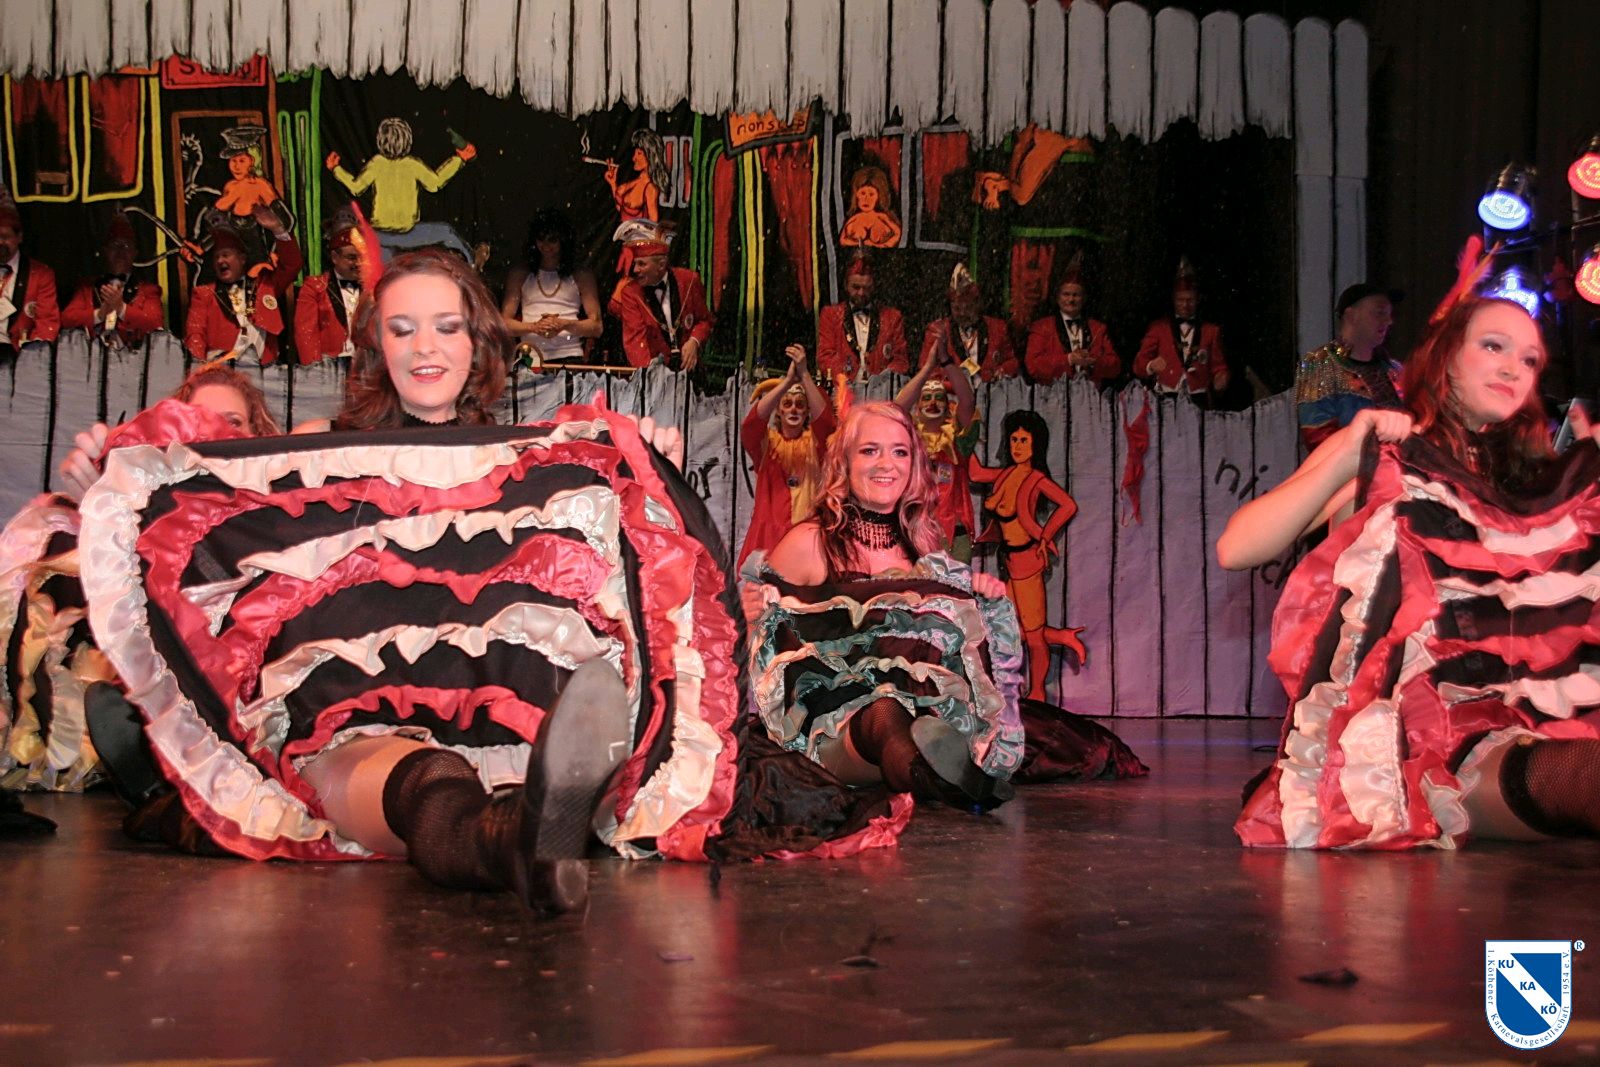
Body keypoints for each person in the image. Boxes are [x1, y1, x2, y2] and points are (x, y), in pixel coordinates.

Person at [79, 249, 900, 915]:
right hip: (358, 710)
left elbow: (605, 547)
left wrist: (646, 459)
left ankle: (523, 821)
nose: (425, 348)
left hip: (494, 705)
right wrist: (116, 483)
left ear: (477, 342)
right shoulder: (318, 448)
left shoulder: (532, 460)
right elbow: (216, 533)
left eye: (446, 327)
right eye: (403, 329)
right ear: (378, 345)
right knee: (397, 774)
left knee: (472, 765)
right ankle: (510, 841)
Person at [1220, 278, 1600, 850]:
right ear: (1447, 357)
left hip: (1531, 724)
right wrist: (1350, 450)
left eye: (1529, 359)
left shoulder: (1536, 491)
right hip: (1432, 750)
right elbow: (1237, 548)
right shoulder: (1391, 454)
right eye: (1493, 346)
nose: (1513, 368)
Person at [6, 366, 277, 807]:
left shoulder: (280, 503)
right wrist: (108, 512)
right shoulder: (151, 500)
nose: (214, 431)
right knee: (61, 553)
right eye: (198, 419)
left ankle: (159, 757)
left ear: (256, 434)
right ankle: (148, 746)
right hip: (164, 641)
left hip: (248, 664)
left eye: (232, 421)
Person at [744, 400, 1023, 810]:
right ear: (844, 461)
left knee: (912, 714)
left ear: (914, 465)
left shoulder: (923, 548)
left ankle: (941, 774)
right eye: (869, 450)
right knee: (885, 709)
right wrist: (747, 610)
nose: (885, 464)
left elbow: (949, 642)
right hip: (833, 732)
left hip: (916, 714)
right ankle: (951, 785)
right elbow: (756, 639)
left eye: (899, 452)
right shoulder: (810, 541)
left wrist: (978, 592)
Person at [968, 410, 1087, 702]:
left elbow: (1068, 505)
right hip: (1010, 562)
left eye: (1024, 440)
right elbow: (975, 474)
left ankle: (1037, 693)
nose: (1017, 446)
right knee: (1000, 626)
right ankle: (1060, 637)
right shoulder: (1006, 473)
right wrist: (962, 437)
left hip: (1028, 562)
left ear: (1036, 444)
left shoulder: (1036, 479)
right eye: (1013, 440)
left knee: (1032, 636)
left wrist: (1046, 535)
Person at [737, 343, 834, 566]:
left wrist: (804, 375)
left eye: (800, 404)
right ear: (779, 410)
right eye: (787, 404)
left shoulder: (815, 445)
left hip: (805, 543)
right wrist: (788, 382)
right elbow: (751, 426)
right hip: (769, 544)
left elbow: (827, 424)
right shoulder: (767, 444)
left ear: (807, 411)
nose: (793, 409)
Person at [183, 205, 303, 365]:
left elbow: (292, 265)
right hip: (222, 370)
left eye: (226, 255)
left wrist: (278, 230)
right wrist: (199, 368)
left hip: (265, 370)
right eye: (216, 257)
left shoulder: (266, 285)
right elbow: (195, 334)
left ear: (242, 258)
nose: (220, 260)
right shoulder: (204, 294)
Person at [895, 343, 979, 559]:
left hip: (954, 537)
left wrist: (946, 361)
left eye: (939, 397)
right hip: (916, 533)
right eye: (927, 397)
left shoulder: (957, 440)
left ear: (948, 405)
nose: (933, 402)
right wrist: (928, 368)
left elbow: (968, 400)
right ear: (917, 406)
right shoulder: (908, 440)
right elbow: (895, 409)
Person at [1294, 281, 1403, 448]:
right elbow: (1318, 437)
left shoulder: (1394, 370)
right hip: (1353, 463)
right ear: (1351, 316)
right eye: (1380, 313)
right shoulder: (1320, 365)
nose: (1389, 321)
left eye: (1389, 314)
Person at [500, 209, 602, 367]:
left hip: (569, 356)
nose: (546, 246)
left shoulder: (582, 276)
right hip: (530, 356)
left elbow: (596, 327)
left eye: (552, 240)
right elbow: (504, 324)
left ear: (563, 241)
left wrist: (563, 324)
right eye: (541, 239)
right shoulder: (519, 275)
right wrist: (534, 327)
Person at [607, 219, 713, 371]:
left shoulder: (689, 280)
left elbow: (705, 321)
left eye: (642, 264)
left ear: (661, 265)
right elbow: (635, 341)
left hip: (691, 372)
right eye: (635, 264)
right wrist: (650, 374)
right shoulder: (631, 293)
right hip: (655, 372)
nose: (635, 270)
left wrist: (694, 341)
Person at [60, 210, 165, 349]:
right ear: (105, 251)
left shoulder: (148, 290)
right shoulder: (87, 287)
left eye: (126, 246)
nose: (120, 252)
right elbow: (67, 320)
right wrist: (100, 314)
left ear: (135, 253)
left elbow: (155, 324)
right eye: (115, 245)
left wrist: (121, 308)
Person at [1133, 260, 1228, 404]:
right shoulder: (1159, 328)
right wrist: (1151, 365)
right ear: (1173, 300)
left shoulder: (1211, 331)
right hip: (1165, 398)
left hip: (1199, 398)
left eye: (1190, 300)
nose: (1185, 305)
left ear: (1198, 299)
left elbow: (1219, 367)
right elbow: (1138, 365)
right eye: (1180, 300)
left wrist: (1221, 377)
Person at [815, 254, 908, 382]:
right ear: (846, 285)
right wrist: (846, 382)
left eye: (867, 288)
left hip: (881, 390)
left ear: (874, 286)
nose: (861, 293)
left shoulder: (892, 317)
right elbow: (825, 357)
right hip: (842, 389)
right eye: (856, 287)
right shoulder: (831, 315)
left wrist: (880, 382)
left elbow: (900, 360)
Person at [1025, 265, 1119, 387]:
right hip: (1053, 394)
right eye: (1066, 294)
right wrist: (1069, 359)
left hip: (1089, 394)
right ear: (1058, 298)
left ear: (1084, 299)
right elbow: (1033, 366)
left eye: (1076, 295)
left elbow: (1115, 367)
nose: (1071, 300)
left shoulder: (1098, 328)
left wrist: (1093, 361)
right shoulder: (1042, 327)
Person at [293, 207, 366, 365]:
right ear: (334, 257)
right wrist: (316, 371)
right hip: (330, 368)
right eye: (352, 257)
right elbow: (306, 335)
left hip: (368, 368)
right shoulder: (315, 288)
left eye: (362, 257)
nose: (359, 263)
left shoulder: (373, 288)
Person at [921, 264, 1018, 382]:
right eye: (957, 308)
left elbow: (1012, 363)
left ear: (978, 304)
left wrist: (1001, 371)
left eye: (968, 308)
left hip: (990, 391)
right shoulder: (937, 331)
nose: (962, 313)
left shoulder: (998, 328)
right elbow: (926, 371)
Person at [0, 186, 59, 360]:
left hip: (17, 357)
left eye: (5, 237)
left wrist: (30, 359)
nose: (0, 242)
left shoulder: (41, 275)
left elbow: (47, 322)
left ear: (19, 237)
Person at [838, 166, 902, 248]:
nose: (866, 199)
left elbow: (897, 233)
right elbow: (842, 240)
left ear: (878, 197)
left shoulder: (882, 217)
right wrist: (860, 244)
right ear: (856, 195)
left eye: (871, 194)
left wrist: (884, 245)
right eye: (863, 193)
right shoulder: (853, 219)